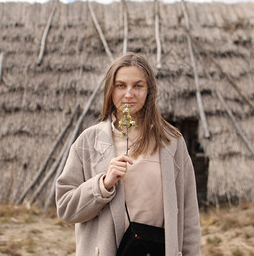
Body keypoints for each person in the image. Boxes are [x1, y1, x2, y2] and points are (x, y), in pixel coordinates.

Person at [56, 52, 201, 255]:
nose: (129, 94)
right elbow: (65, 207)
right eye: (121, 85)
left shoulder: (171, 142)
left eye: (138, 86)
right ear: (110, 90)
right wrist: (103, 184)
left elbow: (189, 216)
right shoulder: (88, 142)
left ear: (149, 90)